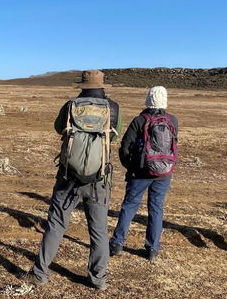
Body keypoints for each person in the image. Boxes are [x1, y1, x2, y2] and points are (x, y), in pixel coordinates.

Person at [25, 70, 122, 290]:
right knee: (98, 230)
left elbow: (58, 127)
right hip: (99, 179)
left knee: (56, 225)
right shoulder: (113, 108)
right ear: (102, 85)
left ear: (82, 85)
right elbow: (115, 134)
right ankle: (98, 279)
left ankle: (40, 274)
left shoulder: (70, 106)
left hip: (67, 176)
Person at [109, 86, 178, 261]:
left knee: (130, 205)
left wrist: (131, 167)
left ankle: (117, 244)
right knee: (156, 208)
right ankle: (153, 249)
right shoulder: (173, 120)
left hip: (139, 173)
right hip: (164, 173)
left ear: (148, 99)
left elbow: (124, 148)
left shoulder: (140, 120)